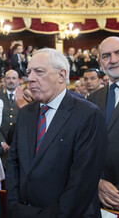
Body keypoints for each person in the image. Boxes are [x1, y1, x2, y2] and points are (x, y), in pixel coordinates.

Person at [6, 48, 106, 217]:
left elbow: (82, 181)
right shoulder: (25, 113)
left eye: (39, 72)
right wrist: (14, 205)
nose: (30, 78)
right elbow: (13, 163)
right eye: (29, 72)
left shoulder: (88, 114)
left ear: (61, 75)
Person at [88, 37, 119, 213]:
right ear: (100, 62)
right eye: (106, 56)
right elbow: (86, 146)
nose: (113, 60)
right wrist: (97, 182)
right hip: (97, 194)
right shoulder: (93, 98)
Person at [0, 70, 19, 166]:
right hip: (1, 146)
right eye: (8, 78)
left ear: (18, 80)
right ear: (4, 80)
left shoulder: (24, 97)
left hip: (18, 145)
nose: (11, 80)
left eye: (13, 78)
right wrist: (1, 141)